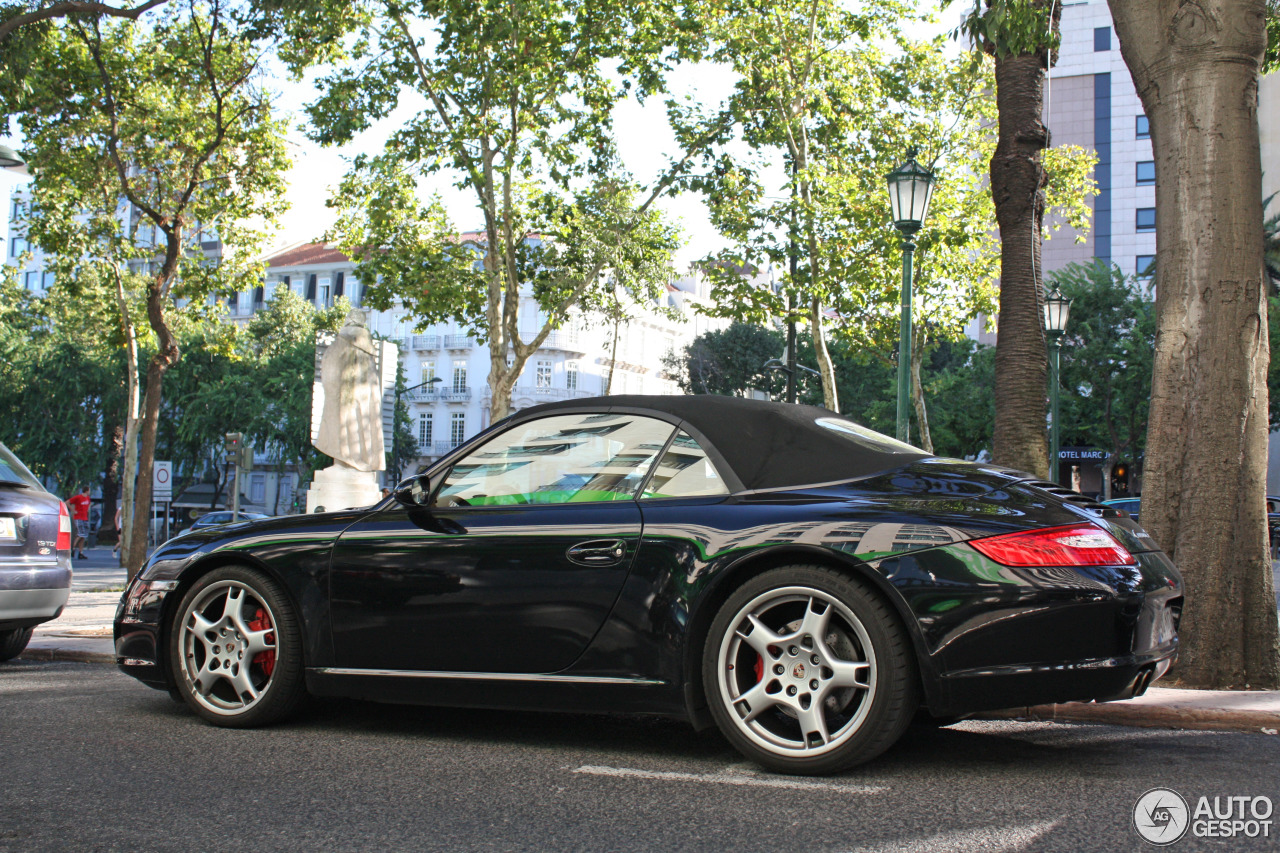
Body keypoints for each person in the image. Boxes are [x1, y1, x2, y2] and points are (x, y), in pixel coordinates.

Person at [66, 485, 91, 560]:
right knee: (80, 533)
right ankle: (72, 549)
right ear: (86, 491)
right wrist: (73, 510)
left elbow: (88, 507)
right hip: (78, 517)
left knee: (84, 536)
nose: (89, 492)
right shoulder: (78, 497)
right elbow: (67, 502)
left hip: (85, 518)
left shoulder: (88, 498)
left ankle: (81, 552)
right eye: (89, 490)